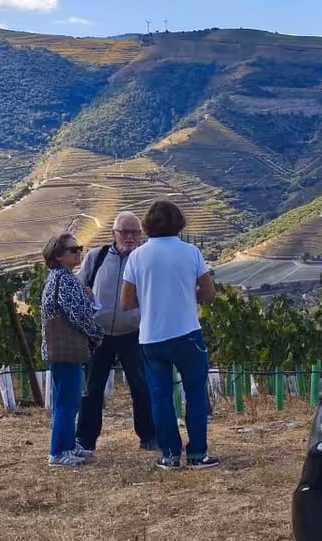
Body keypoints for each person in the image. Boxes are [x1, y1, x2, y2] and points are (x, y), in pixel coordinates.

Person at [120, 199, 220, 470]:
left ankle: (170, 455)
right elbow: (210, 295)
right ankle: (198, 454)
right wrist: (187, 295)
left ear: (147, 225)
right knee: (196, 394)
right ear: (179, 223)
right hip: (187, 334)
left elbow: (126, 302)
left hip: (151, 337)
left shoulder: (137, 257)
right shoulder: (191, 253)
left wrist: (152, 299)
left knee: (160, 396)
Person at [74, 211, 157, 459]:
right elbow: (80, 285)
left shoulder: (146, 260)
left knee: (141, 388)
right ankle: (86, 439)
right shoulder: (96, 257)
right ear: (114, 233)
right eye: (125, 232)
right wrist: (85, 296)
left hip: (134, 333)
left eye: (134, 232)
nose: (129, 237)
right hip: (99, 335)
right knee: (93, 388)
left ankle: (149, 436)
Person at [40, 232, 104, 467]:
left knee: (64, 401)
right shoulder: (64, 280)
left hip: (60, 350)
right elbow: (77, 315)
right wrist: (96, 335)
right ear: (59, 256)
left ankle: (67, 445)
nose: (79, 252)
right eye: (73, 250)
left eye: (79, 248)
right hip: (66, 350)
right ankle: (58, 452)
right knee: (68, 403)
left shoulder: (58, 278)